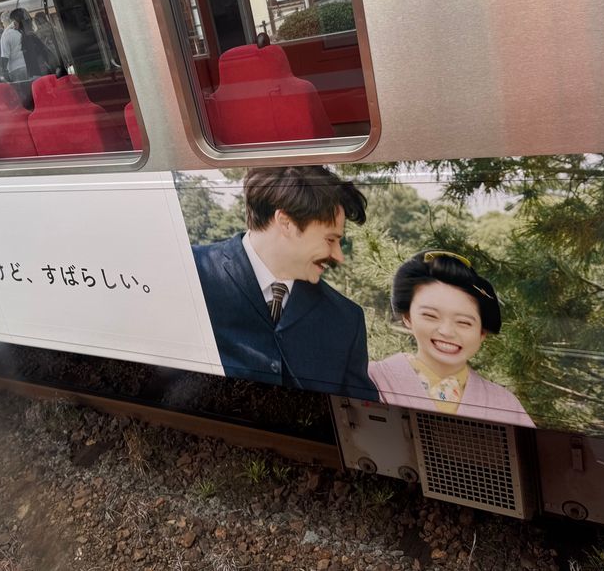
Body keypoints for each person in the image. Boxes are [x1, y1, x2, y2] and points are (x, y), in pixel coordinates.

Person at [192, 166, 376, 398]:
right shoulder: (191, 272)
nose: (339, 256)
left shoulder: (347, 320)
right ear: (286, 223)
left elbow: (359, 411)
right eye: (330, 239)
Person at [367, 251, 535, 427]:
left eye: (464, 322)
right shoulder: (372, 378)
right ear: (408, 317)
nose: (447, 331)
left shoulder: (504, 404)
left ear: (482, 332)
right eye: (431, 316)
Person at [0, 9, 29, 82]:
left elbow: (5, 56)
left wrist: (4, 71)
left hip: (15, 69)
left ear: (6, 21)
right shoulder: (21, 30)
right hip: (27, 65)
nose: (2, 25)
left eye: (2, 22)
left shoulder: (5, 34)